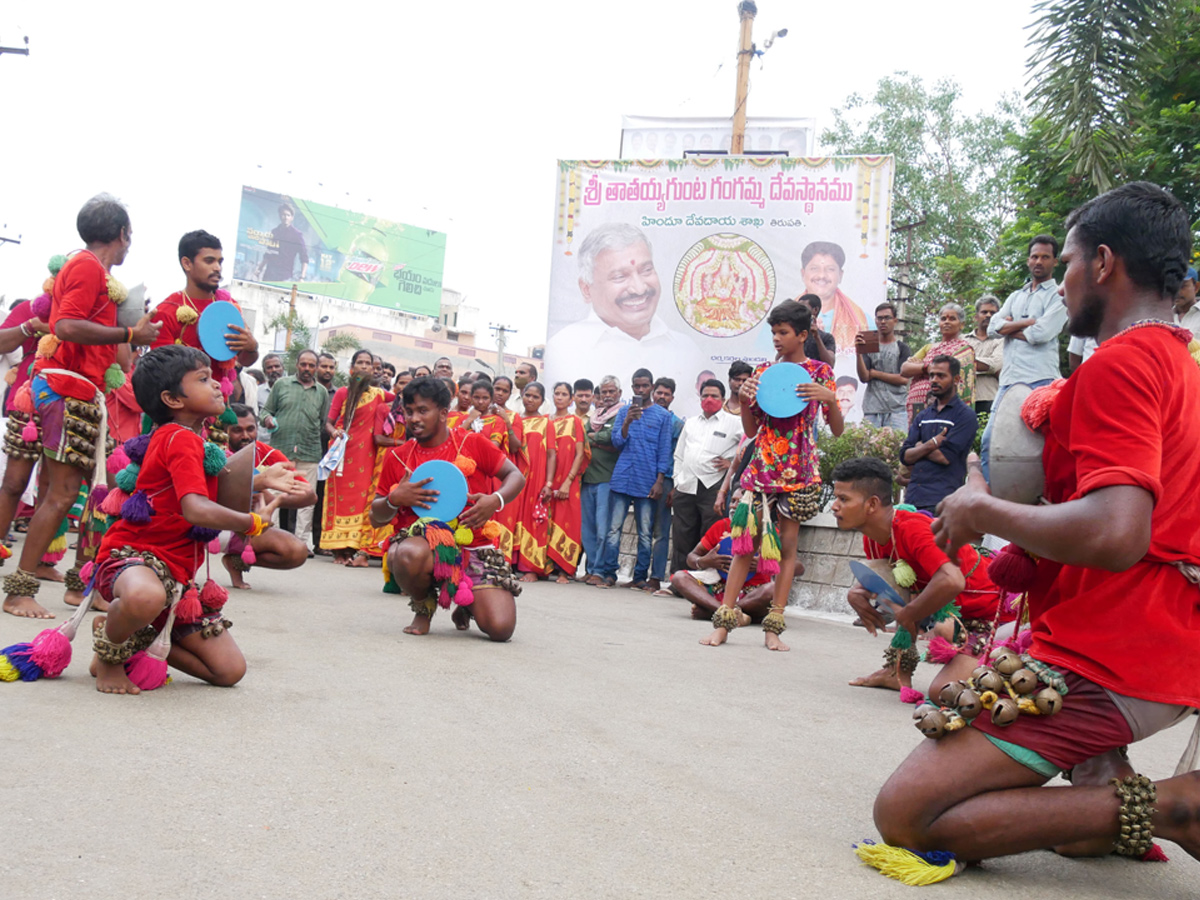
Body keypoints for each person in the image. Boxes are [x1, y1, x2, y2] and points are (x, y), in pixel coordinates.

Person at [864, 182, 1200, 878]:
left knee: (907, 815)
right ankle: (1100, 800)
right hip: (1155, 634)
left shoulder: (1125, 362)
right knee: (1052, 803)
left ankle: (1176, 806)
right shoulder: (1179, 363)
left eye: (1069, 262)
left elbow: (1117, 533)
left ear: (1102, 262)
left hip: (1122, 647)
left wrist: (982, 510)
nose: (1061, 283)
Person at [3, 195, 162, 620]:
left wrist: (127, 333)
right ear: (123, 234)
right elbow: (66, 326)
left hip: (74, 391)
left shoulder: (90, 269)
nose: (130, 246)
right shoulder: (88, 267)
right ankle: (19, 591)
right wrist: (129, 331)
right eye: (131, 238)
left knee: (67, 494)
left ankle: (75, 584)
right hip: (65, 390)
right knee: (61, 495)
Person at [89, 345, 282, 694]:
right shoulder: (179, 437)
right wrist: (251, 522)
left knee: (228, 671)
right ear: (172, 399)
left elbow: (213, 490)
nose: (218, 387)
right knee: (146, 597)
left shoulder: (197, 440)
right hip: (135, 561)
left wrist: (264, 481)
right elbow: (195, 508)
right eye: (204, 379)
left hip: (177, 579)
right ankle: (110, 656)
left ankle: (125, 631)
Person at [701, 300, 843, 651]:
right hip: (762, 470)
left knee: (788, 547)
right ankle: (724, 622)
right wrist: (747, 401)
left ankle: (774, 627)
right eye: (773, 332)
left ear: (803, 334)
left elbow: (837, 430)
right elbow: (751, 431)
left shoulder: (820, 373)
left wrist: (831, 400)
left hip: (800, 471)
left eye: (783, 332)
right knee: (743, 547)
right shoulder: (762, 372)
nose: (777, 339)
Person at [830, 457, 1006, 695]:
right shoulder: (872, 536)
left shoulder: (913, 528)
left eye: (843, 499)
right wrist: (857, 591)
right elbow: (904, 587)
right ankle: (897, 672)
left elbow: (952, 580)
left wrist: (908, 614)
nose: (834, 506)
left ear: (871, 504)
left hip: (996, 618)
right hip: (964, 617)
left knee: (943, 693)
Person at [371, 376, 525, 641]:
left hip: (474, 547)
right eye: (408, 412)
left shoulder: (471, 443)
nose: (414, 418)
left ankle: (466, 603)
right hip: (424, 549)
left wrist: (494, 500)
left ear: (443, 413)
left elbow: (515, 476)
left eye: (422, 410)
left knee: (501, 629)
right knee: (405, 552)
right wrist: (395, 499)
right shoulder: (397, 457)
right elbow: (375, 517)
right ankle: (423, 605)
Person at [545, 223, 704, 403]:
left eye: (646, 270)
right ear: (586, 289)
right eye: (620, 277)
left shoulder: (688, 351)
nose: (639, 288)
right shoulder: (564, 349)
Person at [979, 234, 1065, 480]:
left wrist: (1009, 327)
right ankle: (991, 503)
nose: (1039, 261)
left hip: (1042, 380)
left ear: (1055, 261)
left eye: (1045, 257)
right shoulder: (1016, 296)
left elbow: (1041, 333)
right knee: (990, 442)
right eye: (1035, 256)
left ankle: (1044, 506)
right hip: (1009, 380)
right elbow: (993, 328)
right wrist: (1027, 322)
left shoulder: (1058, 296)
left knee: (1043, 447)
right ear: (1028, 260)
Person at [151, 231, 259, 403]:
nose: (217, 267)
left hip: (219, 411)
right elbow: (161, 373)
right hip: (182, 410)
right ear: (187, 263)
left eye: (219, 261)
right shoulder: (166, 312)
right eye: (209, 261)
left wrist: (252, 346)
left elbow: (246, 359)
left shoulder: (229, 307)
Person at [222, 403, 315, 588]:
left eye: (250, 429)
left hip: (244, 526)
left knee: (296, 552)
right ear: (224, 430)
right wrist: (255, 484)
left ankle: (235, 561)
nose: (246, 436)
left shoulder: (267, 454)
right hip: (206, 522)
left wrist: (276, 500)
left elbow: (310, 496)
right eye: (237, 430)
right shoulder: (211, 448)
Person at [321, 349, 395, 566]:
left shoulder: (380, 394)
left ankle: (353, 547)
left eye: (368, 363)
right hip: (342, 454)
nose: (364, 366)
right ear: (352, 368)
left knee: (362, 500)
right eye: (360, 363)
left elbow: (401, 401)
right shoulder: (343, 392)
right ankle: (337, 550)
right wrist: (334, 432)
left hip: (367, 457)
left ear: (373, 369)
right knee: (339, 499)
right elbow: (329, 421)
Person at [608, 369, 673, 591]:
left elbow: (664, 451)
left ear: (652, 387)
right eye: (637, 386)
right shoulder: (624, 411)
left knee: (645, 533)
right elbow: (617, 442)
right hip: (623, 477)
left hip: (647, 480)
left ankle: (639, 577)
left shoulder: (663, 417)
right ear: (632, 387)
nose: (640, 390)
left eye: (645, 386)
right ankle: (609, 573)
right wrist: (627, 421)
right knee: (614, 529)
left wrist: (659, 481)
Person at [670, 378, 743, 575]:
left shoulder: (734, 423)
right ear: (699, 398)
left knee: (710, 536)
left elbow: (749, 445)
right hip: (686, 485)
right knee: (681, 536)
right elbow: (679, 454)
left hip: (713, 486)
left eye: (714, 396)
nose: (709, 399)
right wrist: (677, 480)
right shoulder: (691, 423)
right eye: (705, 396)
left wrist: (732, 464)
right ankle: (678, 580)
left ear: (723, 398)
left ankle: (705, 582)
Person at [261, 349, 331, 550]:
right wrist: (268, 419)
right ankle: (266, 537)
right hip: (280, 450)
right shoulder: (282, 385)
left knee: (306, 497)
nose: (307, 369)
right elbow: (266, 411)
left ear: (316, 367)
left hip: (309, 452)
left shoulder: (322, 393)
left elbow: (321, 422)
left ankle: (301, 543)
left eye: (311, 365)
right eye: (303, 364)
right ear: (297, 365)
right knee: (272, 493)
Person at [900, 355, 978, 514]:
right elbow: (905, 456)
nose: (934, 380)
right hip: (913, 498)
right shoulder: (923, 415)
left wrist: (919, 448)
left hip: (943, 501)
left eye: (941, 376)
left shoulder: (965, 416)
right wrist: (933, 443)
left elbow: (945, 457)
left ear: (956, 379)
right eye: (932, 375)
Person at [669, 509, 775, 625]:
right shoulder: (722, 525)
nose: (734, 506)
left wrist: (763, 564)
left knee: (773, 588)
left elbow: (797, 567)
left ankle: (713, 612)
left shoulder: (769, 530)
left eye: (739, 502)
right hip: (717, 589)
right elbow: (691, 557)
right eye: (732, 501)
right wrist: (704, 561)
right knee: (679, 577)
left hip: (752, 594)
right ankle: (729, 613)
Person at [900, 302, 975, 424]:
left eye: (952, 319)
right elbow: (904, 369)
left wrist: (919, 366)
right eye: (943, 318)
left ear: (961, 324)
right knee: (916, 441)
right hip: (917, 404)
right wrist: (927, 367)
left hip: (941, 406)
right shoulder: (930, 347)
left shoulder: (963, 350)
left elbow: (949, 373)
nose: (947, 322)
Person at [547, 381, 590, 583]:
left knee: (568, 521)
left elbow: (580, 454)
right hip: (548, 479)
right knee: (548, 520)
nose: (560, 397)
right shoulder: (546, 421)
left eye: (564, 394)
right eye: (557, 393)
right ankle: (547, 566)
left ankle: (565, 570)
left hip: (568, 480)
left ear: (571, 398)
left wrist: (568, 481)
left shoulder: (575, 422)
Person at [581, 376, 621, 587]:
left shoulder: (621, 414)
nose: (607, 396)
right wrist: (596, 438)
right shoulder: (595, 415)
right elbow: (582, 437)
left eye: (611, 391)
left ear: (619, 394)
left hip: (607, 478)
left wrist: (593, 438)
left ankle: (601, 570)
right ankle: (591, 569)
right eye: (604, 392)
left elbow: (612, 437)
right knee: (587, 529)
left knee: (603, 528)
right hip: (588, 477)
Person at [647, 377, 684, 592]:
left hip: (668, 481)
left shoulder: (677, 424)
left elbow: (681, 456)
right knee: (644, 529)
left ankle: (656, 576)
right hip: (644, 479)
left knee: (661, 531)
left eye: (666, 394)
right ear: (653, 393)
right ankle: (639, 575)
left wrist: (675, 487)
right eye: (659, 393)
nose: (662, 397)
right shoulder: (644, 416)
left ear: (672, 398)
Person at [514, 381, 553, 580]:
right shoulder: (516, 420)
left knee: (533, 519)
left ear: (541, 400)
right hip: (517, 477)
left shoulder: (546, 422)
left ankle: (532, 569)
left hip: (537, 478)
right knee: (515, 517)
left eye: (535, 397)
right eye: (527, 395)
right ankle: (513, 563)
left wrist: (548, 483)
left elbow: (552, 455)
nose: (530, 399)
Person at [799, 240, 866, 351]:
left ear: (840, 275)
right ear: (803, 273)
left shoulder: (861, 319)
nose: (821, 275)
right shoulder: (784, 316)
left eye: (830, 269)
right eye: (814, 268)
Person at [855, 301, 911, 430]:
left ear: (895, 320)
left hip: (897, 410)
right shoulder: (869, 345)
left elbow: (903, 379)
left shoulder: (902, 348)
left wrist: (875, 373)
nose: (883, 322)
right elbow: (864, 377)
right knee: (869, 449)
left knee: (897, 448)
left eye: (887, 318)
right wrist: (858, 352)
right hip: (872, 409)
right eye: (879, 318)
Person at [963, 295, 1004, 414]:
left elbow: (997, 364)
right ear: (976, 316)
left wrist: (964, 362)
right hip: (963, 399)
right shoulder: (963, 340)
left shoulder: (1002, 340)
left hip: (991, 398)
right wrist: (986, 365)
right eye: (984, 312)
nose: (988, 315)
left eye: (993, 312)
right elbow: (950, 364)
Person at [261, 203, 309, 282]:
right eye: (283, 215)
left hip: (284, 276)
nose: (285, 217)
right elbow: (268, 254)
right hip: (269, 274)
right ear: (280, 216)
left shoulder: (297, 235)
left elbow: (304, 258)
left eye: (288, 215)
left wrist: (302, 277)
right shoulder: (275, 232)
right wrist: (259, 269)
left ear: (292, 217)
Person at [797, 293, 837, 366]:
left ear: (815, 310)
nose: (799, 312)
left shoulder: (827, 338)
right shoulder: (794, 335)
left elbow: (830, 364)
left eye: (803, 308)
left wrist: (816, 337)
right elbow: (780, 358)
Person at [1173, 266, 1198, 332]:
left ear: (1196, 287)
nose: (1177, 291)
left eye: (1182, 286)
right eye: (1173, 286)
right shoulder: (1164, 316)